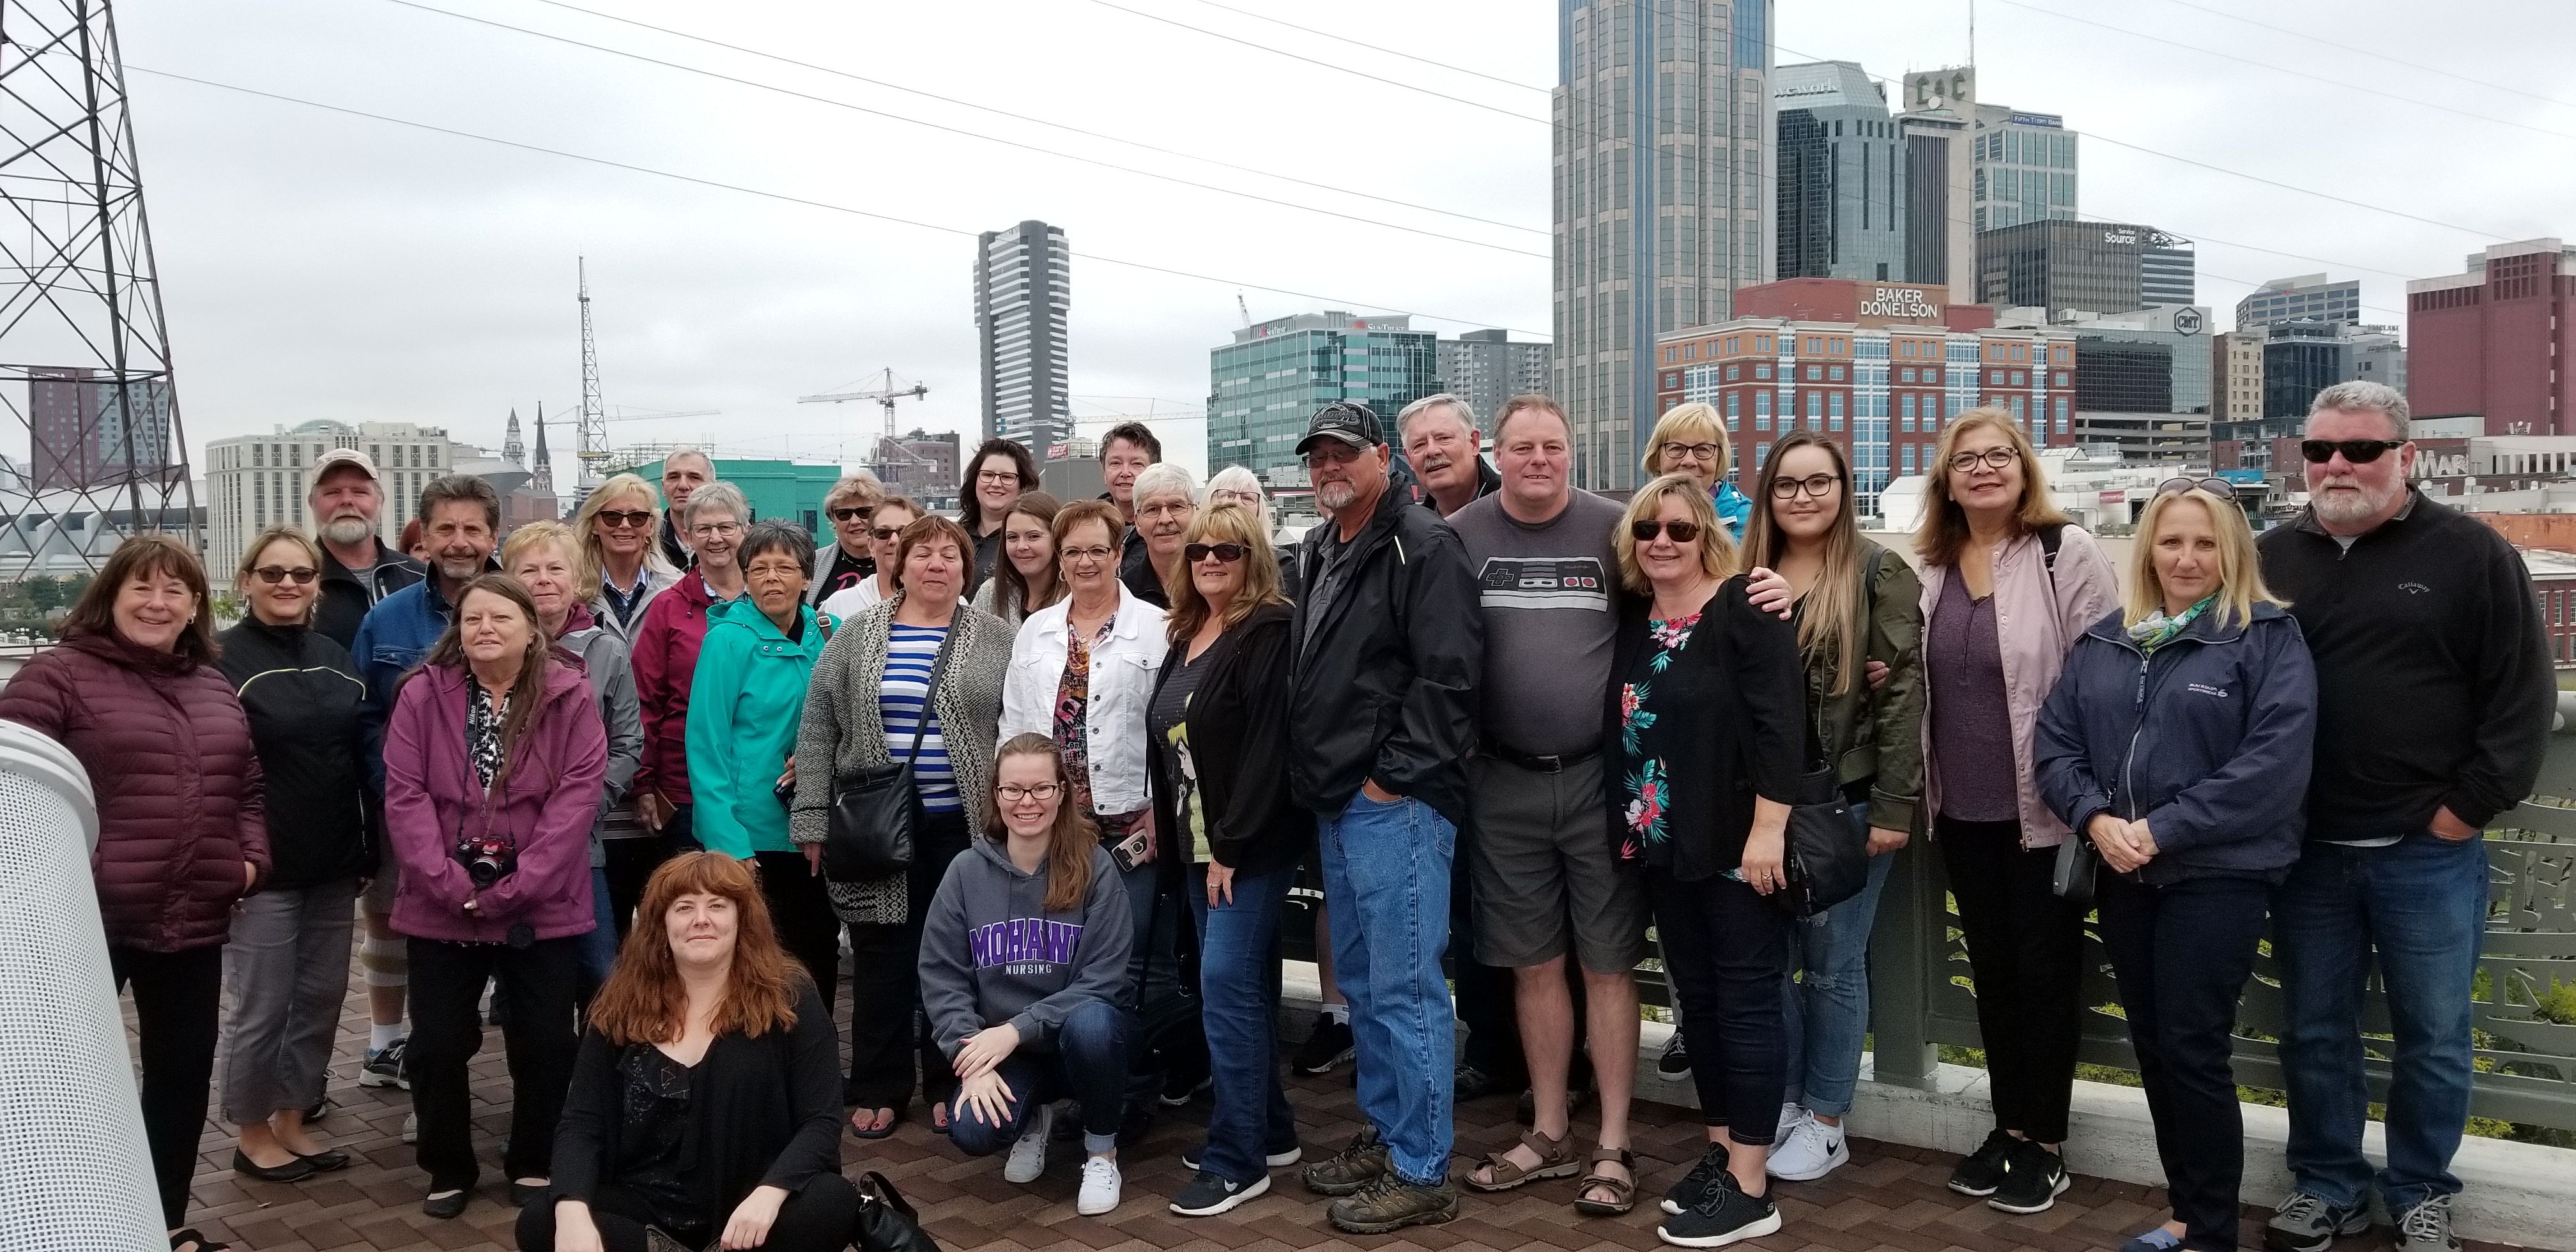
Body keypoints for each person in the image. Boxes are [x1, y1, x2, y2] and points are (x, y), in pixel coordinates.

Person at [2257, 381, 2554, 1252]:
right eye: (2320, 450)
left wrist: (2465, 812)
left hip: (2427, 851)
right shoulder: (2268, 556)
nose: (2337, 465)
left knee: (2434, 1035)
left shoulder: (2472, 552)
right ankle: (2328, 1185)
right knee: (2315, 1030)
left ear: (2406, 456)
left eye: (2361, 449)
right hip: (2306, 851)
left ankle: (2422, 1188)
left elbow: (2522, 698)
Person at [2035, 478, 2317, 1252]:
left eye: (2205, 543)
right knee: (2156, 1047)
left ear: (2233, 551)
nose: (2187, 558)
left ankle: (2212, 1231)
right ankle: (2187, 1213)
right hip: (2125, 871)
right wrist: (2094, 817)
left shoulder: (2265, 638)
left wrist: (2162, 829)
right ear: (2148, 550)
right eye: (2171, 542)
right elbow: (2055, 743)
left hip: (2217, 873)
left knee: (2194, 1047)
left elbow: (2272, 767)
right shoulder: (2109, 639)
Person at [0, 536, 266, 1252]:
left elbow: (246, 785)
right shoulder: (57, 676)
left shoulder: (212, 684)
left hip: (191, 916)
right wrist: (74, 873)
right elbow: (12, 787)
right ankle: (61, 1226)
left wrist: (249, 862)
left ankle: (162, 1223)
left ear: (195, 605)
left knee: (181, 1075)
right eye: (142, 588)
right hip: (83, 919)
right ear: (111, 595)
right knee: (57, 1079)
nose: (158, 603)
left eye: (175, 590)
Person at [1913, 408, 2119, 1214]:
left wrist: (2091, 798)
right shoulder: (1930, 564)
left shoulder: (2065, 551)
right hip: (1961, 810)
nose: (1984, 469)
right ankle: (2009, 1125)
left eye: (1999, 455)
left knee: (2045, 975)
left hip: (2048, 810)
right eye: (1967, 459)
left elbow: (2105, 679)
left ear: (2024, 467)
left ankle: (2047, 1143)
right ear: (1946, 479)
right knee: (1993, 974)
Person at [1439, 395, 1641, 1214]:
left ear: (1571, 451)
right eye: (1522, 448)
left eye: (1552, 447)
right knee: (1533, 964)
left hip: (1599, 779)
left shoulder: (1617, 529)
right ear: (1497, 452)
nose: (1538, 461)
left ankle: (1614, 1144)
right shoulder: (1460, 536)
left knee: (1609, 963)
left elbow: (1684, 603)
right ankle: (1551, 1129)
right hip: (1502, 782)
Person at [1284, 401, 1482, 1235]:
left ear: (1382, 460)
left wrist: (1388, 784)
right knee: (1365, 986)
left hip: (1392, 806)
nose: (1329, 467)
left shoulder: (1423, 544)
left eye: (1344, 453)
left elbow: (1451, 679)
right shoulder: (1325, 545)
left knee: (1405, 988)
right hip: (1339, 801)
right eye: (1318, 456)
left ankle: (1423, 1170)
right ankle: (1391, 1136)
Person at [1602, 475, 1802, 1248]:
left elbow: (1782, 724)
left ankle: (1752, 1185)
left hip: (1737, 844)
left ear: (1706, 537)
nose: (1662, 541)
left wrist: (1769, 829)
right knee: (1702, 1002)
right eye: (1648, 529)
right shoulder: (1635, 616)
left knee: (1747, 1002)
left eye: (1680, 529)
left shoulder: (1746, 606)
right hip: (1661, 844)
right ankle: (1722, 1154)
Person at [383, 574, 606, 1218]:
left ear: (532, 629)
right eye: (472, 618)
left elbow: (576, 800)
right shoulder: (421, 694)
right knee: (437, 1044)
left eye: (500, 617)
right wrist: (449, 883)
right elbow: (404, 794)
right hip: (440, 900)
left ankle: (535, 1159)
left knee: (545, 1041)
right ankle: (448, 1166)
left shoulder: (569, 695)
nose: (485, 628)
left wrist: (518, 886)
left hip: (540, 901)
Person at [1738, 431, 1924, 1184]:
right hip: (1760, 809)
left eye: (1820, 482)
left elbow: (1903, 696)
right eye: (1787, 483)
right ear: (1767, 494)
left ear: (1845, 490)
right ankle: (1787, 1100)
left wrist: (1894, 807)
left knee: (1833, 965)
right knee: (1773, 964)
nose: (1803, 496)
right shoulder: (1745, 571)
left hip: (1844, 800)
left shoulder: (1878, 571)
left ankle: (1826, 1119)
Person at [793, 514, 1013, 1138]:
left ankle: (948, 1079)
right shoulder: (857, 635)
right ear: (898, 562)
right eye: (923, 553)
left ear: (967, 569)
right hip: (875, 828)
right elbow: (818, 726)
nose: (936, 564)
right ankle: (880, 1084)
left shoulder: (996, 638)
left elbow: (1016, 725)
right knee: (881, 957)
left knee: (957, 957)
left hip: (964, 829)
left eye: (950, 554)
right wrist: (812, 817)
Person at [521, 851, 859, 1252]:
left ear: (742, 919)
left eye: (717, 905)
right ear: (661, 923)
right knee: (541, 1220)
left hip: (748, 1207)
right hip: (643, 1208)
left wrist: (771, 1193)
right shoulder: (622, 1003)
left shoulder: (789, 998)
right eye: (684, 907)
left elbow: (821, 1121)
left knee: (831, 1200)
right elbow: (582, 1121)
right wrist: (572, 1210)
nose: (701, 919)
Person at [1146, 503, 1311, 1218]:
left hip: (1247, 848)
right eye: (1200, 550)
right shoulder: (1188, 631)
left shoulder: (1266, 629)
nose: (1211, 560)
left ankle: (1237, 1160)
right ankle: (1269, 1131)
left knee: (1225, 988)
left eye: (1228, 550)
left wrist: (1231, 849)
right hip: (1197, 846)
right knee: (1242, 987)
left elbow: (1268, 747)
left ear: (1254, 559)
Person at [999, 497, 1176, 1113]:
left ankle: (1135, 1094)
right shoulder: (1036, 630)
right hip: (1058, 832)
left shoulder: (1158, 627)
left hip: (1132, 828)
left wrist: (1162, 808)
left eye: (1097, 549)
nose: (1085, 562)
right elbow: (1014, 728)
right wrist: (1017, 812)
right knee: (1060, 961)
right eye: (1072, 551)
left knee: (1136, 964)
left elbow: (1175, 727)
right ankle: (1077, 1089)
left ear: (1119, 552)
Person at [920, 734, 1138, 1216]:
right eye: (1014, 790)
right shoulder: (966, 872)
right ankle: (1032, 1119)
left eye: (1041, 789)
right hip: (1008, 1052)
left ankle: (1101, 1152)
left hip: (1077, 1041)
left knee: (1094, 1025)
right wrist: (970, 1059)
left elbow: (1102, 980)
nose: (1027, 802)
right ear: (996, 795)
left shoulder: (1094, 866)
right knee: (972, 1129)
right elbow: (941, 976)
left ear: (1062, 793)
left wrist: (1016, 1029)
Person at [215, 526, 370, 1186]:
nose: (288, 584)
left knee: (320, 998)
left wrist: (368, 846)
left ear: (316, 585)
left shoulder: (335, 654)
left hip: (334, 858)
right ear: (247, 581)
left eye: (301, 574)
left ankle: (292, 1116)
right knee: (263, 1005)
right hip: (265, 865)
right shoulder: (221, 660)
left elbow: (361, 756)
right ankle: (251, 1132)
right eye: (273, 573)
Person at [352, 474, 503, 1090]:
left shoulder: (520, 611)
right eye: (446, 529)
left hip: (505, 817)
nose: (459, 541)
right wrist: (397, 789)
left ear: (494, 536)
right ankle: (418, 1073)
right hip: (412, 815)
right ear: (426, 536)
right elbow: (366, 716)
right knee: (417, 940)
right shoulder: (387, 620)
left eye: (472, 529)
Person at [686, 521, 838, 1011]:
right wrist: (728, 842)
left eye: (785, 568)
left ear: (807, 577)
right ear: (745, 577)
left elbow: (848, 721)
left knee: (816, 952)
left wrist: (816, 757)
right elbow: (706, 744)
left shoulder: (828, 634)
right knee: (752, 961)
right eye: (759, 569)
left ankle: (812, 1050)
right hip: (751, 834)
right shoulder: (727, 641)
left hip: (814, 826)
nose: (772, 578)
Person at [503, 521, 645, 982]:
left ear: (577, 577)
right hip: (509, 836)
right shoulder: (493, 648)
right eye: (529, 570)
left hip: (582, 841)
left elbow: (628, 743)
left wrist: (587, 805)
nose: (543, 580)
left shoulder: (607, 651)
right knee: (520, 969)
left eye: (555, 568)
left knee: (600, 968)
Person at [630, 481, 753, 850]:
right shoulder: (668, 608)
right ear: (687, 536)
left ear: (746, 530)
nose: (715, 538)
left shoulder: (771, 603)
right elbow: (645, 699)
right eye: (703, 529)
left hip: (759, 783)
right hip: (685, 787)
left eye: (726, 527)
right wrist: (643, 782)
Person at [307, 448, 425, 650]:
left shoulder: (420, 578)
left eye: (360, 492)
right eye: (332, 492)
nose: (347, 501)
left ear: (381, 501)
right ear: (311, 503)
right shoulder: (297, 582)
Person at [576, 473, 680, 646]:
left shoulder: (677, 588)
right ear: (594, 524)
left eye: (637, 517)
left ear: (651, 526)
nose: (625, 525)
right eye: (612, 517)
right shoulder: (573, 591)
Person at [1640, 402, 1753, 540]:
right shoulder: (1638, 515)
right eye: (1676, 448)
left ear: (1720, 458)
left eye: (1703, 449)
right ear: (1657, 456)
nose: (1689, 461)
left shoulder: (1751, 521)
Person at [969, 489, 1066, 628]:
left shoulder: (1076, 598)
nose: (1021, 546)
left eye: (1033, 536)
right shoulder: (990, 594)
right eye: (1013, 537)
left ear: (1057, 539)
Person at [818, 494, 921, 620]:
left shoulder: (940, 602)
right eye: (883, 533)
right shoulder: (838, 607)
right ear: (871, 545)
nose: (894, 540)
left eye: (904, 532)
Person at [960, 439, 1041, 598]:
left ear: (1022, 485)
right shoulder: (957, 536)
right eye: (988, 475)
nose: (996, 483)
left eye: (1007, 477)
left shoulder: (1029, 543)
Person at [1399, 392, 1501, 519]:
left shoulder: (1516, 508)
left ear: (1473, 443)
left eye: (1444, 438)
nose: (1432, 451)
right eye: (1419, 445)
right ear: (1409, 459)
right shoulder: (1410, 526)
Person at [1124, 462, 1199, 609]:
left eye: (1176, 506)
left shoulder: (1215, 582)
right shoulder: (1124, 594)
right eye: (1153, 509)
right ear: (1138, 522)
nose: (1165, 520)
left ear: (1196, 513)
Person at [1100, 422, 1161, 601]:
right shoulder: (1087, 528)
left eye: (1136, 464)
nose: (1125, 472)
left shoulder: (1167, 529)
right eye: (1115, 463)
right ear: (1104, 472)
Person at [809, 471, 886, 607]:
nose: (855, 521)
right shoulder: (812, 564)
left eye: (864, 512)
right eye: (844, 514)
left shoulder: (902, 562)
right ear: (833, 518)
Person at [656, 448, 714, 570]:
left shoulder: (730, 542)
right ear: (663, 487)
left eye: (694, 477)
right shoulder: (648, 542)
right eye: (674, 477)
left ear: (712, 487)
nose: (683, 486)